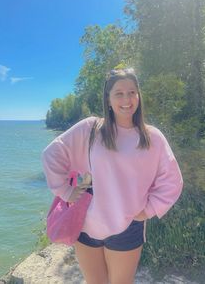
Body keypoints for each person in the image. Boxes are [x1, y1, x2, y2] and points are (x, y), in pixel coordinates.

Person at [42, 68, 183, 284]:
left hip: (127, 226)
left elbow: (172, 180)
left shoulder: (152, 137)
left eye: (132, 92)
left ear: (139, 96)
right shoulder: (91, 128)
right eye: (119, 93)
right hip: (86, 223)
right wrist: (66, 191)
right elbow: (52, 154)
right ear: (108, 99)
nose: (127, 99)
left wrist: (149, 210)